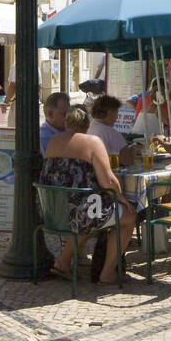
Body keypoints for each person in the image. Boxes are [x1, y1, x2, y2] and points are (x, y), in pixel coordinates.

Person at [40, 106, 137, 285]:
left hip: (53, 212)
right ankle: (107, 272)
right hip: (80, 213)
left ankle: (63, 260)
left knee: (89, 212)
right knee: (129, 216)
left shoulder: (54, 141)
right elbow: (108, 180)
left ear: (67, 122)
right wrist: (121, 197)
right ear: (88, 124)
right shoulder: (93, 142)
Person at [88, 94, 138, 165]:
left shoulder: (88, 127)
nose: (117, 116)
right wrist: (133, 149)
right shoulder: (111, 133)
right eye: (116, 112)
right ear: (110, 112)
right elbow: (127, 161)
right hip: (107, 172)